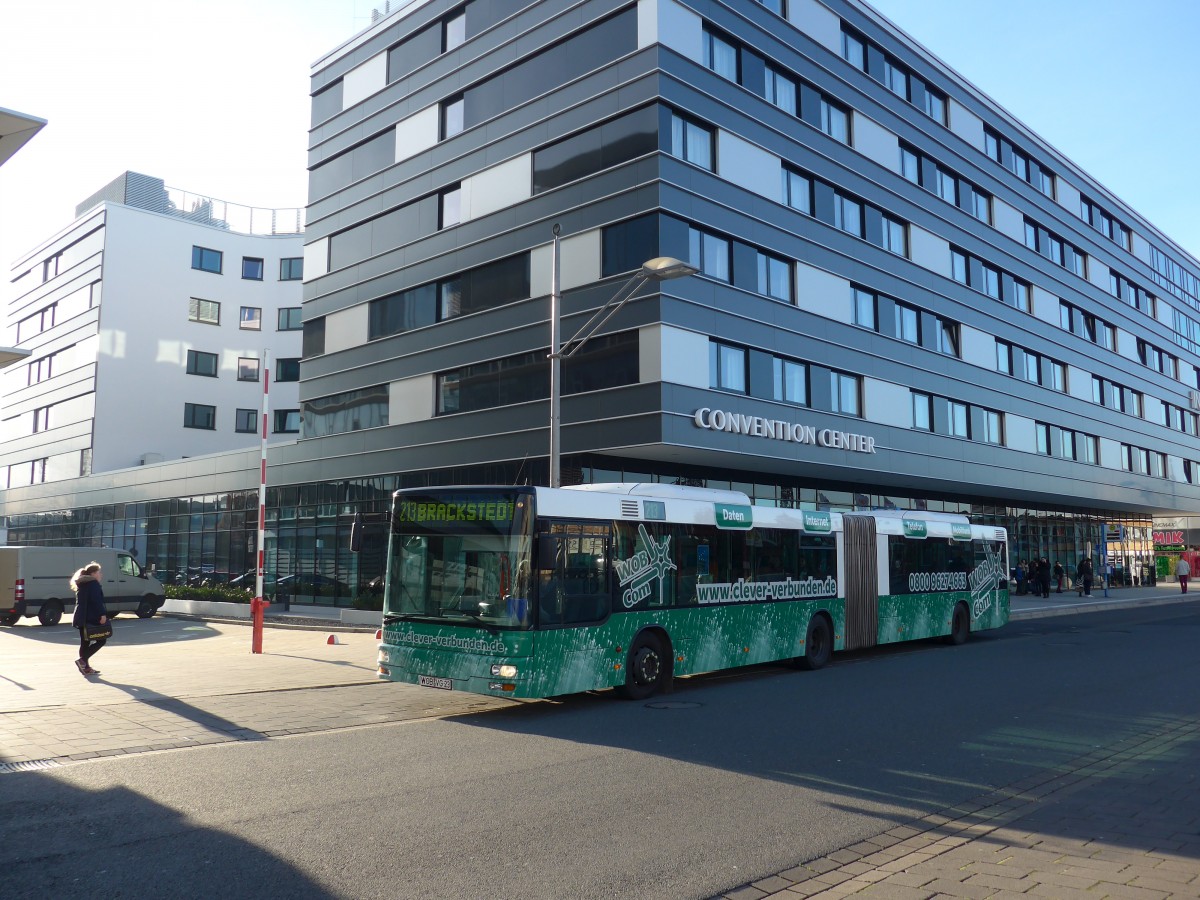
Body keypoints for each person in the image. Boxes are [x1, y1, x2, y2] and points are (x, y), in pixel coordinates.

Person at [70, 561, 108, 676]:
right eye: (99, 572)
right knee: (102, 640)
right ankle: (82, 661)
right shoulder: (93, 584)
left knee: (85, 642)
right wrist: (102, 614)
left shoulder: (82, 583)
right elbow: (96, 601)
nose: (100, 575)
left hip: (81, 617)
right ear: (93, 574)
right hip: (91, 617)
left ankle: (85, 667)